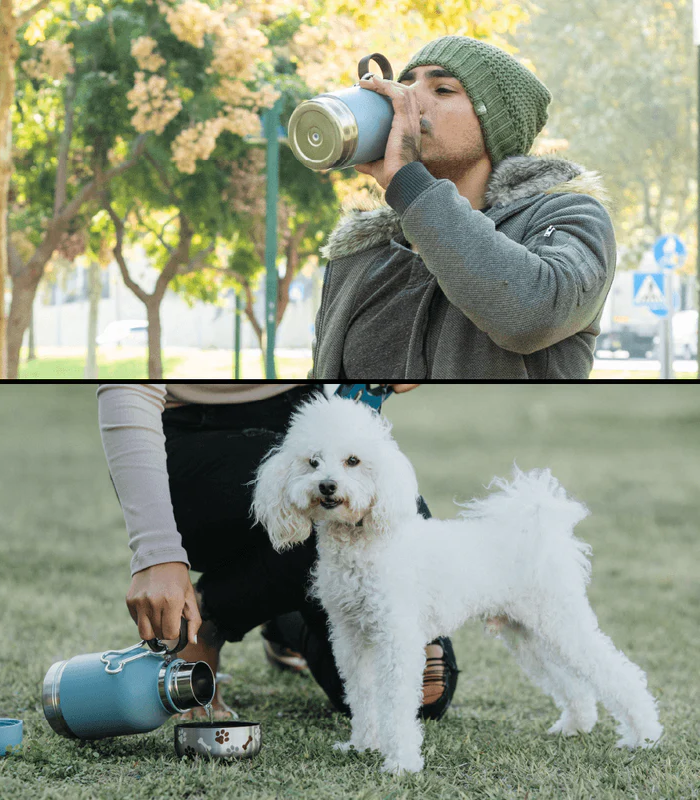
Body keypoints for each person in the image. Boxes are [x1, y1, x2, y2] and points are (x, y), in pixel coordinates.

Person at [97, 382, 458, 722]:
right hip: (192, 432)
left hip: (313, 407)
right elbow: (125, 389)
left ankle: (282, 617)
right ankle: (212, 614)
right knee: (309, 514)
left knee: (420, 701)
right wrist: (156, 553)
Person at [310, 35, 616, 380]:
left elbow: (531, 315)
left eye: (443, 90)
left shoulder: (568, 216)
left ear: (493, 126)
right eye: (405, 85)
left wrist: (409, 184)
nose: (409, 102)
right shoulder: (362, 254)